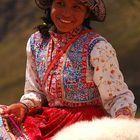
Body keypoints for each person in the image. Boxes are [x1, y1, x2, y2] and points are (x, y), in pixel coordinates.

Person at [0, 0, 137, 139]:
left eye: (76, 7)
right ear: (51, 5)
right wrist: (23, 106)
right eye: (60, 3)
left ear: (87, 12)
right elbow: (35, 91)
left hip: (85, 125)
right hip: (48, 120)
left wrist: (122, 124)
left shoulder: (97, 48)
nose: (66, 13)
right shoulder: (36, 43)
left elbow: (117, 96)